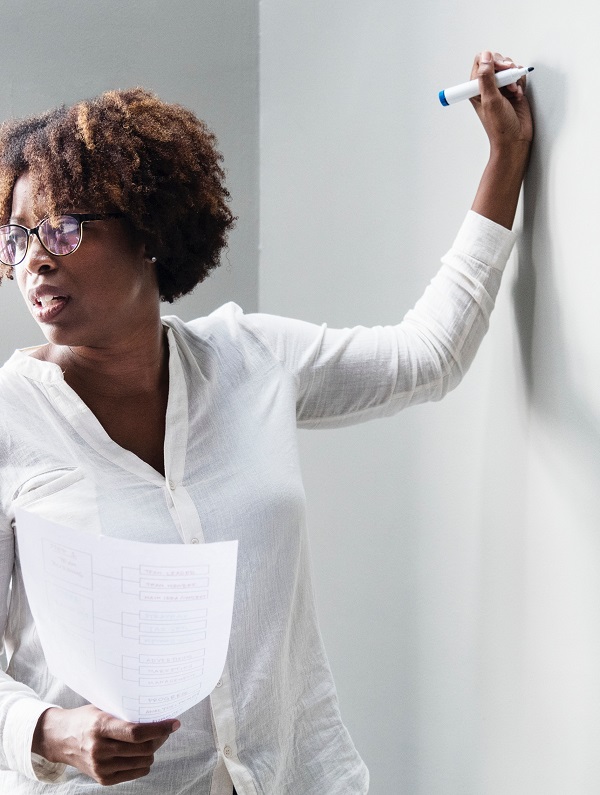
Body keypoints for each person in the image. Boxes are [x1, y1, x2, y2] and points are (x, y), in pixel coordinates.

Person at [0, 50, 533, 794]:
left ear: (148, 228)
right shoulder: (10, 421)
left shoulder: (248, 357)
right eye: (17, 237)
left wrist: (506, 158)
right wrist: (49, 730)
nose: (34, 261)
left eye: (61, 229)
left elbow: (427, 357)